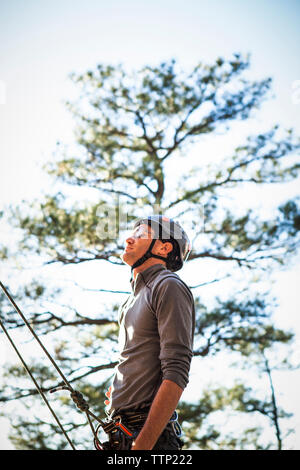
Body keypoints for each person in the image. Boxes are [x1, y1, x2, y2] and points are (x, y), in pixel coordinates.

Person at [100, 215, 195, 451]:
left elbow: (177, 371)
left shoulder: (168, 285)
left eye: (141, 234)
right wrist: (121, 392)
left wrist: (141, 446)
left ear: (164, 247)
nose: (129, 239)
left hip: (149, 439)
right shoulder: (129, 302)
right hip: (121, 435)